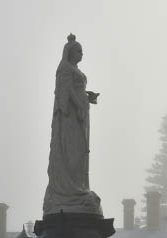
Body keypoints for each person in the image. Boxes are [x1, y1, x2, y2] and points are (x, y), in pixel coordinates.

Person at [43, 33, 102, 216]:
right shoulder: (65, 68)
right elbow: (65, 92)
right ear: (69, 52)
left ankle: (80, 186)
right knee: (72, 154)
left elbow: (76, 89)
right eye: (79, 51)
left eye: (82, 51)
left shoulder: (73, 69)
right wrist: (79, 105)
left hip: (80, 118)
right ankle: (70, 191)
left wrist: (86, 97)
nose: (82, 54)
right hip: (70, 120)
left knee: (81, 155)